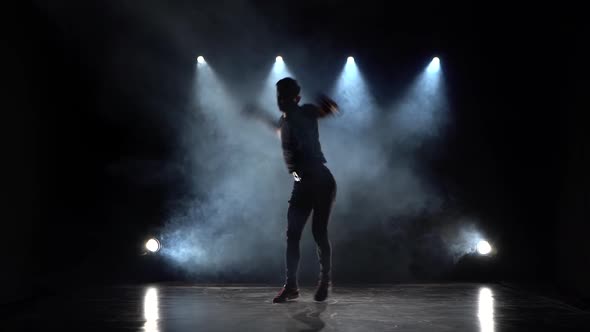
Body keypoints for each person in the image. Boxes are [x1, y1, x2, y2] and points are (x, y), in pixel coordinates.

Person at [246, 77, 338, 303]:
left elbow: (330, 110)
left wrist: (326, 102)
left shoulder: (306, 111)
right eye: (278, 96)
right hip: (301, 182)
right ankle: (291, 286)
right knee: (292, 235)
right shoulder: (283, 120)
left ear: (296, 98)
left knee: (318, 231)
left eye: (285, 97)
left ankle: (325, 280)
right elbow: (277, 128)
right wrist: (258, 114)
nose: (281, 100)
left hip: (320, 179)